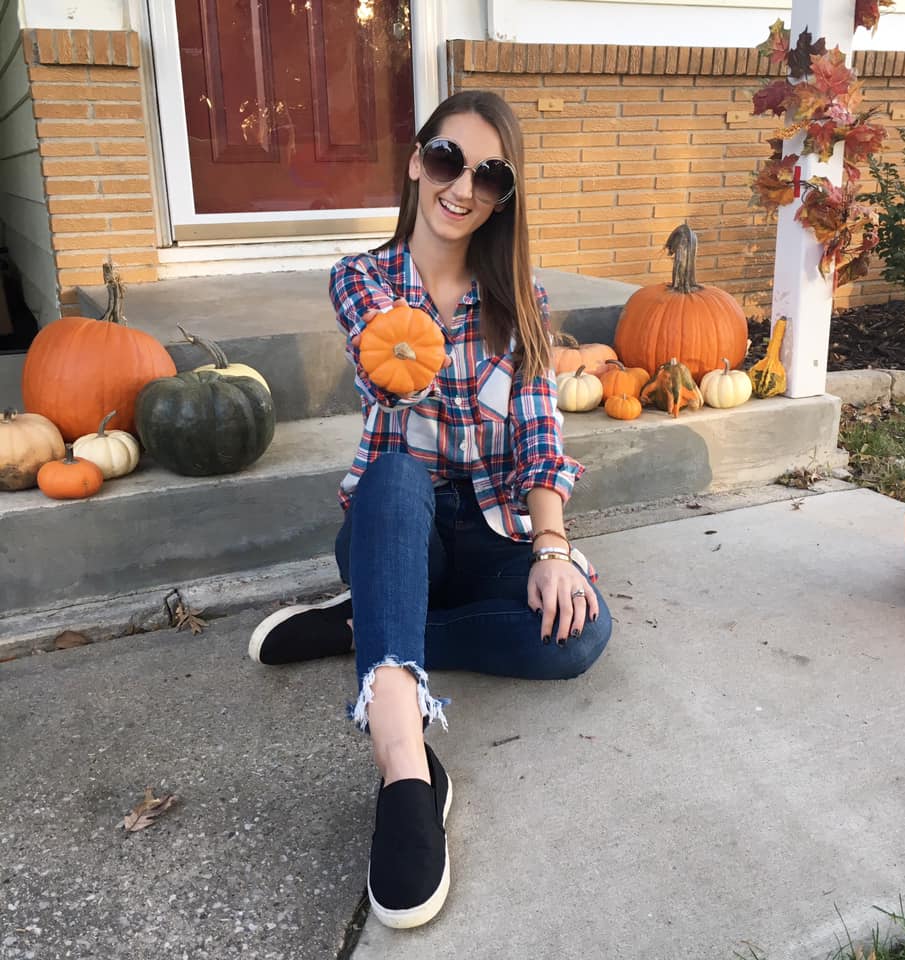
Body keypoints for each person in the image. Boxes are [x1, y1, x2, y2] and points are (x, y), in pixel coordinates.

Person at [248, 90, 613, 930]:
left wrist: (552, 546)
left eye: (489, 175)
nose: (462, 188)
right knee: (400, 473)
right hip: (392, 520)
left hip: (485, 529)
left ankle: (366, 627)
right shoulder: (362, 282)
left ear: (503, 196)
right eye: (448, 160)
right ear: (417, 160)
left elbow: (538, 439)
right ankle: (407, 768)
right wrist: (454, 316)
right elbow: (394, 370)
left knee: (582, 632)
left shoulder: (522, 306)